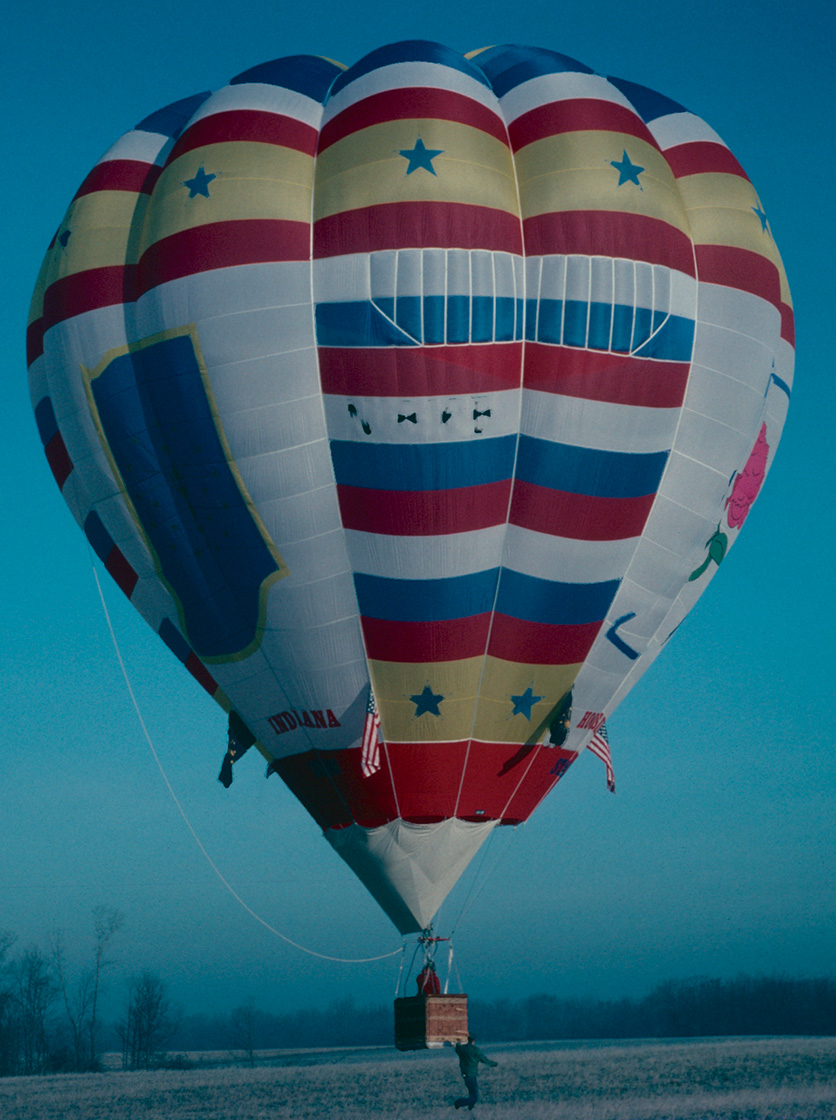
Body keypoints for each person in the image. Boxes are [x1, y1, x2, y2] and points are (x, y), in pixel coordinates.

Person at [453, 1034, 498, 1110]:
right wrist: (495, 1064)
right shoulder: (475, 1050)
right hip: (471, 1074)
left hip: (465, 1074)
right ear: (473, 1041)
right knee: (474, 1096)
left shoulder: (462, 1049)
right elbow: (485, 1060)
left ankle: (470, 1109)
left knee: (472, 1094)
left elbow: (457, 1048)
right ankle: (459, 1103)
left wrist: (457, 1042)